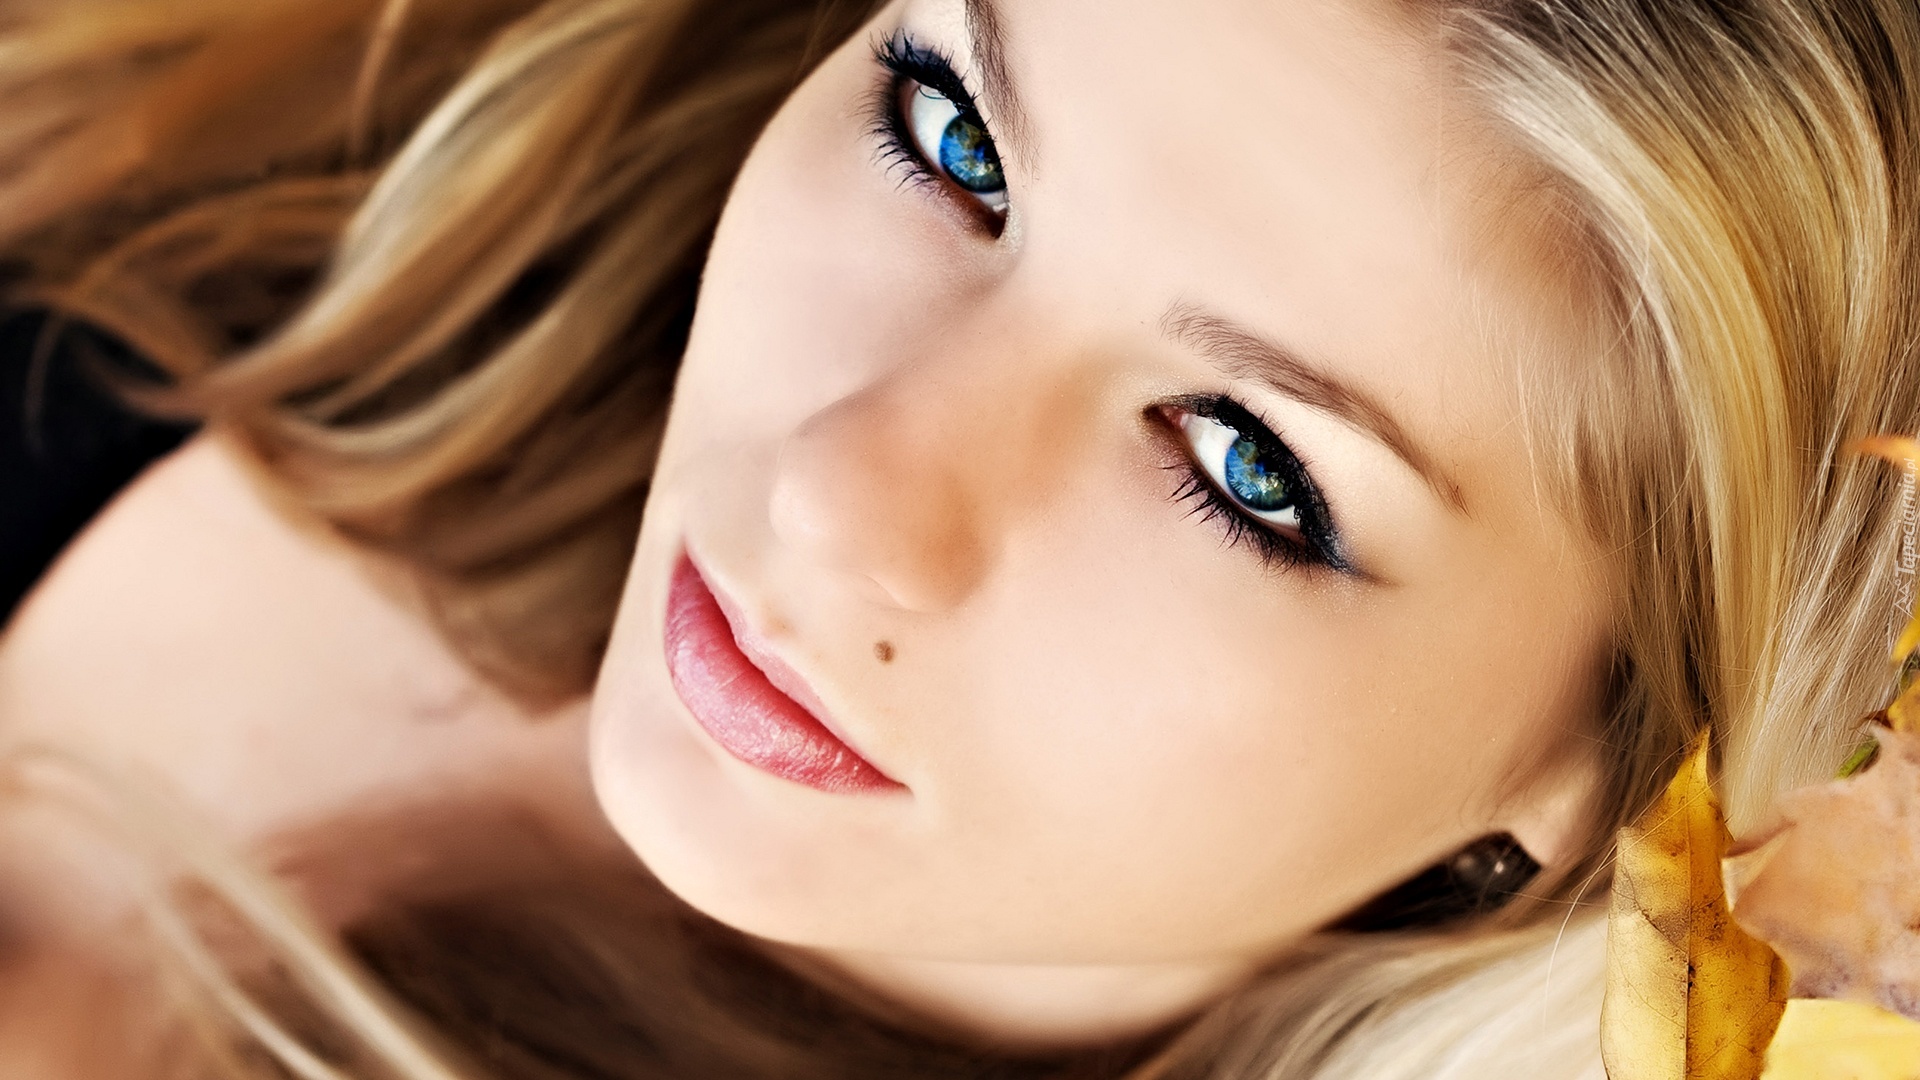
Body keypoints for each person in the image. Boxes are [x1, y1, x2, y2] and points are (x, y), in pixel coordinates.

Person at [0, 0, 1914, 1076]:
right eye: (953, 138)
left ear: (1610, 780)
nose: (839, 488)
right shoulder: (367, 145)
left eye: (1247, 466)